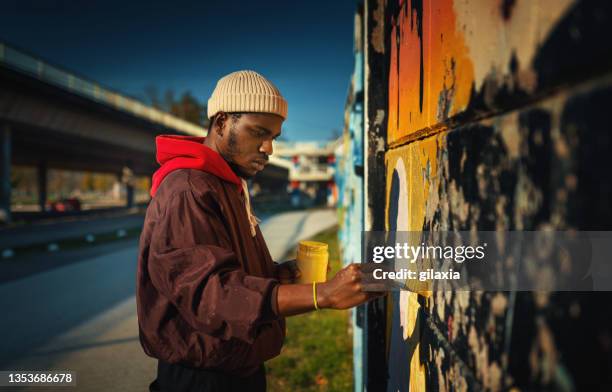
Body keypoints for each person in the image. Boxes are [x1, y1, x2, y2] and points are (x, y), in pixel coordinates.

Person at [137, 70, 379, 392]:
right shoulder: (189, 189)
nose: (269, 148)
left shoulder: (224, 183)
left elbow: (228, 272)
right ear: (221, 122)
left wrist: (277, 276)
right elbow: (211, 294)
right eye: (258, 133)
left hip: (234, 369)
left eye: (274, 137)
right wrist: (323, 295)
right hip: (202, 380)